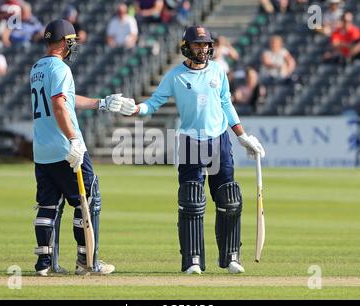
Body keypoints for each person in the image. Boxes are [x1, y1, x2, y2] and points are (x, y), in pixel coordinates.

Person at [117, 26, 266, 274]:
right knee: (191, 200)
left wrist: (242, 136)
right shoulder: (175, 76)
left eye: (206, 44)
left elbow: (226, 104)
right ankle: (193, 259)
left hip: (219, 140)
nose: (203, 49)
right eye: (197, 45)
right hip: (190, 142)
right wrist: (134, 109)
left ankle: (231, 256)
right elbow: (153, 103)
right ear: (186, 47)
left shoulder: (218, 70)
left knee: (228, 199)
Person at [30, 19, 127, 276]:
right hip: (66, 148)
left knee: (48, 205)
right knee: (88, 200)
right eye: (71, 41)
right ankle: (87, 262)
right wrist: (73, 139)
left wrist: (101, 103)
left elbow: (68, 100)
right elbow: (60, 105)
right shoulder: (60, 69)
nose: (73, 46)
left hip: (42, 149)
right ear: (63, 43)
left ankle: (44, 264)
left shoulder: (37, 68)